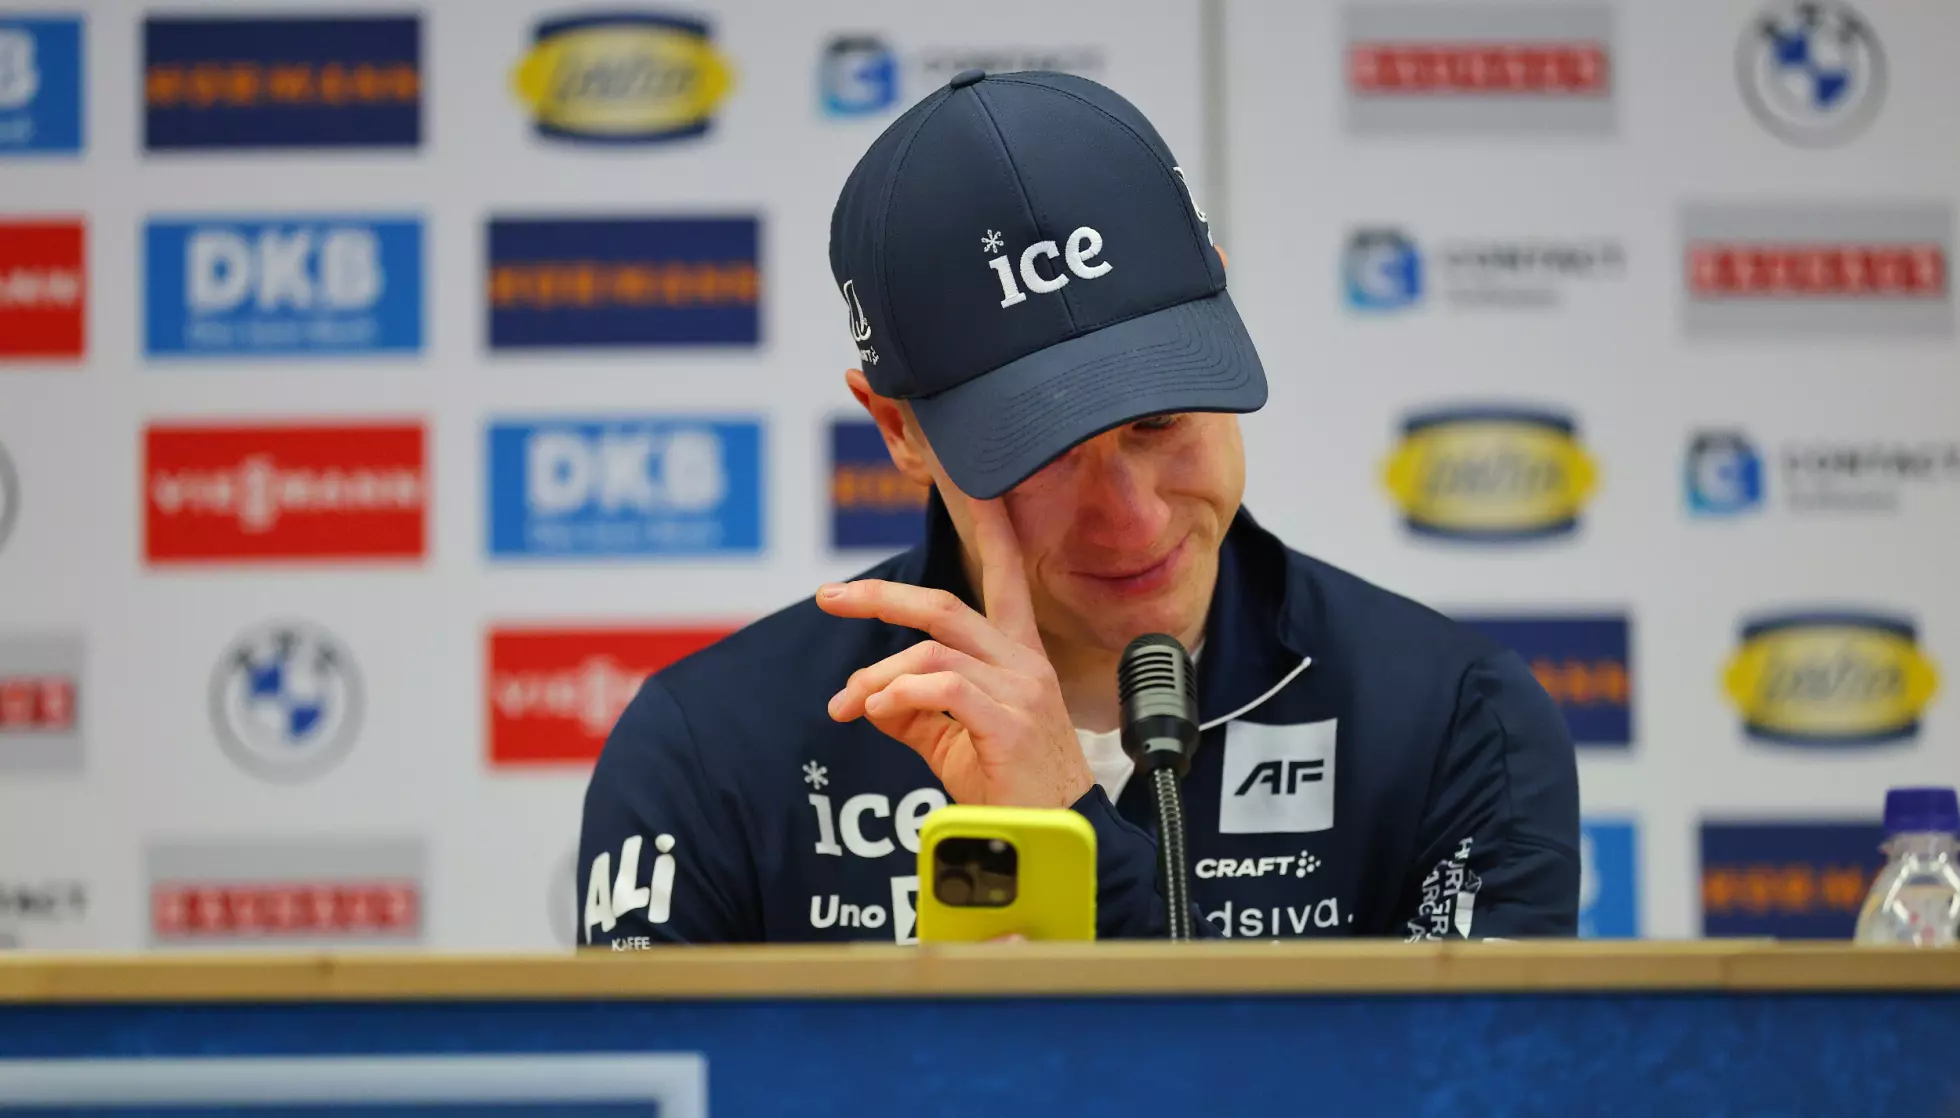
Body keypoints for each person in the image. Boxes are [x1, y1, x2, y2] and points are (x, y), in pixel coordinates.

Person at [578, 69, 1578, 945]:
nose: (1132, 518)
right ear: (897, 427)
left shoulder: (1453, 721)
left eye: (1161, 422)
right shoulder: (712, 748)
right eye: (1045, 454)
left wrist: (1070, 833)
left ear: (1221, 308)